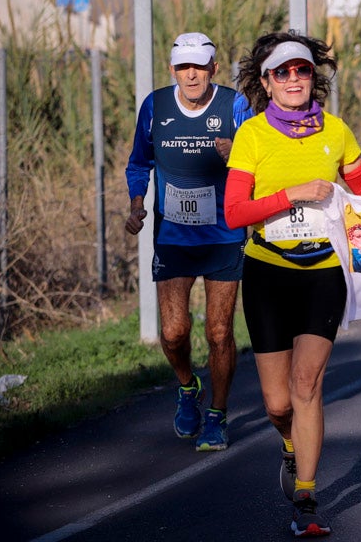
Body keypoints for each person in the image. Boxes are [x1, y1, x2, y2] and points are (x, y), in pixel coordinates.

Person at [224, 31, 361, 536]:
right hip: (267, 272)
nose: (294, 79)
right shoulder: (251, 136)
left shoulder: (336, 131)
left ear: (315, 78)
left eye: (303, 70)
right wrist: (291, 194)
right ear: (267, 83)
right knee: (276, 403)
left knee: (307, 385)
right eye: (283, 72)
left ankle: (308, 504)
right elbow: (233, 214)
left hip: (323, 274)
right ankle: (289, 444)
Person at [125, 32, 252, 452]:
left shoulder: (234, 105)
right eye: (183, 67)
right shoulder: (155, 106)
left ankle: (216, 414)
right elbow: (139, 162)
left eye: (199, 66)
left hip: (223, 234)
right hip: (174, 236)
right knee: (175, 332)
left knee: (219, 333)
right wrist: (137, 203)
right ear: (172, 69)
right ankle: (186, 386)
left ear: (214, 67)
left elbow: (259, 159)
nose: (191, 74)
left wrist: (236, 153)